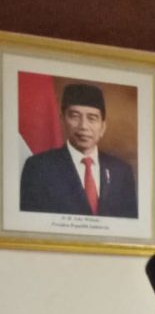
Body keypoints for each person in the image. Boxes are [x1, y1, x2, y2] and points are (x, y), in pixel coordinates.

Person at [19, 82, 137, 217]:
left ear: (103, 127)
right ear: (62, 121)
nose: (83, 126)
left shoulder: (121, 172)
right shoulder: (39, 167)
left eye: (92, 118)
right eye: (75, 116)